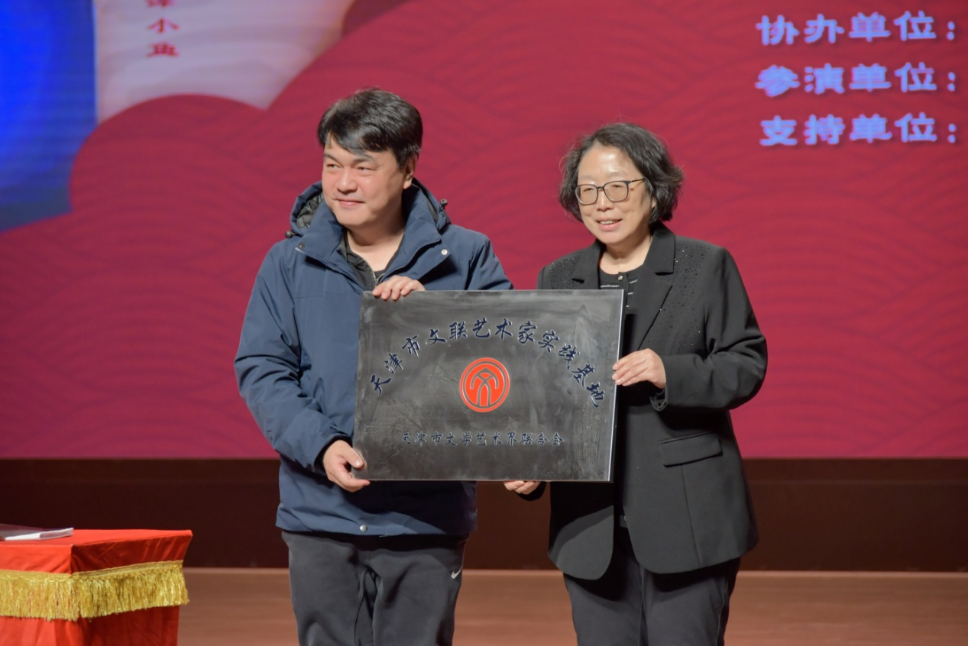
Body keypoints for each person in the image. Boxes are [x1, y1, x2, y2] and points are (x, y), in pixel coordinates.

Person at [235, 88, 511, 646]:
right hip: (320, 511)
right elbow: (263, 369)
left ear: (407, 170)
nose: (343, 183)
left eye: (363, 167)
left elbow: (505, 363)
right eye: (332, 165)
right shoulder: (287, 262)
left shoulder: (467, 255)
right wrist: (322, 446)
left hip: (425, 517)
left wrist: (436, 319)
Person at [505, 123, 767, 645]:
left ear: (654, 189)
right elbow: (548, 392)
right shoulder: (558, 277)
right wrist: (534, 460)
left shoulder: (704, 265)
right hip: (589, 522)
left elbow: (746, 363)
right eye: (588, 190)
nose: (603, 203)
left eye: (618, 186)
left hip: (687, 516)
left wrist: (670, 371)